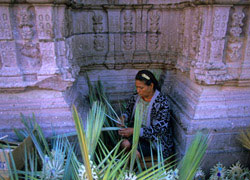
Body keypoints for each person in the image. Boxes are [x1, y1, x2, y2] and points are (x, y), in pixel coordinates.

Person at [118, 70, 174, 159]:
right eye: (137, 87)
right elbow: (128, 110)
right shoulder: (136, 97)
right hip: (138, 136)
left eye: (141, 88)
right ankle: (127, 169)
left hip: (154, 141)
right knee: (124, 144)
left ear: (151, 86)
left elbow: (158, 130)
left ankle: (131, 171)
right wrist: (124, 117)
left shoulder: (162, 103)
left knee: (134, 155)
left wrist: (134, 131)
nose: (138, 90)